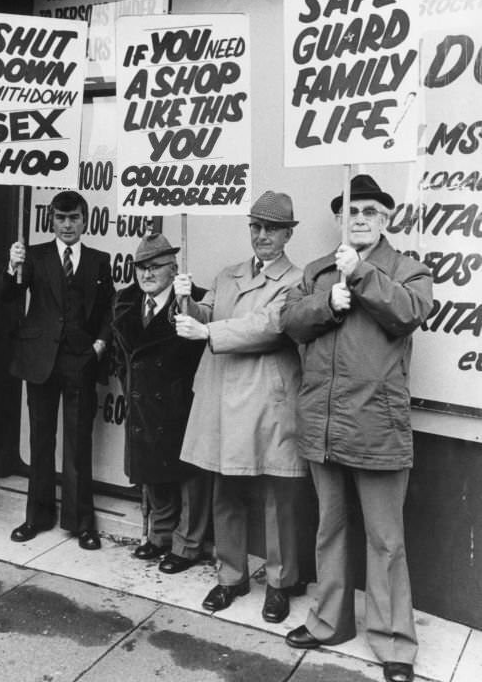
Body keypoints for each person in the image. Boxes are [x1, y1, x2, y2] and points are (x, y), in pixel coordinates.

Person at [281, 174, 433, 682]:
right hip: (322, 424)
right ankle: (330, 622)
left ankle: (394, 644)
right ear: (340, 219)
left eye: (370, 211)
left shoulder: (408, 270)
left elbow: (410, 313)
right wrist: (328, 302)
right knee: (331, 528)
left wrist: (363, 276)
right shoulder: (318, 271)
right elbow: (291, 323)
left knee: (386, 540)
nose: (360, 219)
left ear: (386, 219)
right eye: (352, 211)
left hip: (376, 424)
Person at [174, 190, 305, 623]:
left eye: (271, 228)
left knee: (277, 493)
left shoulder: (297, 281)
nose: (261, 235)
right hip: (225, 395)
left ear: (287, 233)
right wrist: (184, 301)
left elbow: (270, 326)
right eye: (255, 226)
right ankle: (230, 575)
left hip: (267, 397)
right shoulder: (229, 274)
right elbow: (204, 314)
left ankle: (281, 582)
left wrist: (206, 332)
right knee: (225, 489)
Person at [1, 190, 114, 550]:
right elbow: (9, 298)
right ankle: (37, 516)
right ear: (51, 220)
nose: (68, 225)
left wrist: (100, 343)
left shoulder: (99, 260)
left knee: (79, 442)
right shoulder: (33, 255)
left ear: (85, 220)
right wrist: (11, 266)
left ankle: (82, 522)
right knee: (41, 439)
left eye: (74, 218)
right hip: (40, 359)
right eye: (61, 218)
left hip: (80, 358)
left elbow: (109, 308)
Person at [112, 232, 211, 573]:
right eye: (141, 267)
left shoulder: (194, 300)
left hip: (182, 401)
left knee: (188, 478)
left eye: (156, 267)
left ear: (174, 269)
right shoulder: (125, 301)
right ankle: (161, 536)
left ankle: (187, 545)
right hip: (143, 401)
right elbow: (119, 351)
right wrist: (128, 381)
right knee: (153, 474)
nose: (147, 274)